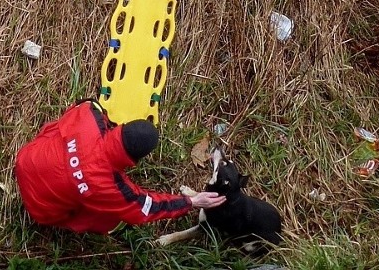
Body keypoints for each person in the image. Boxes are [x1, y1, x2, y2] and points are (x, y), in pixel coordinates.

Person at [14, 99, 225, 234]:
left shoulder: (90, 118)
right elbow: (147, 206)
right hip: (41, 210)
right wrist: (191, 201)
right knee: (112, 218)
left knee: (61, 128)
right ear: (136, 159)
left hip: (25, 161)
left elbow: (87, 104)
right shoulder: (111, 188)